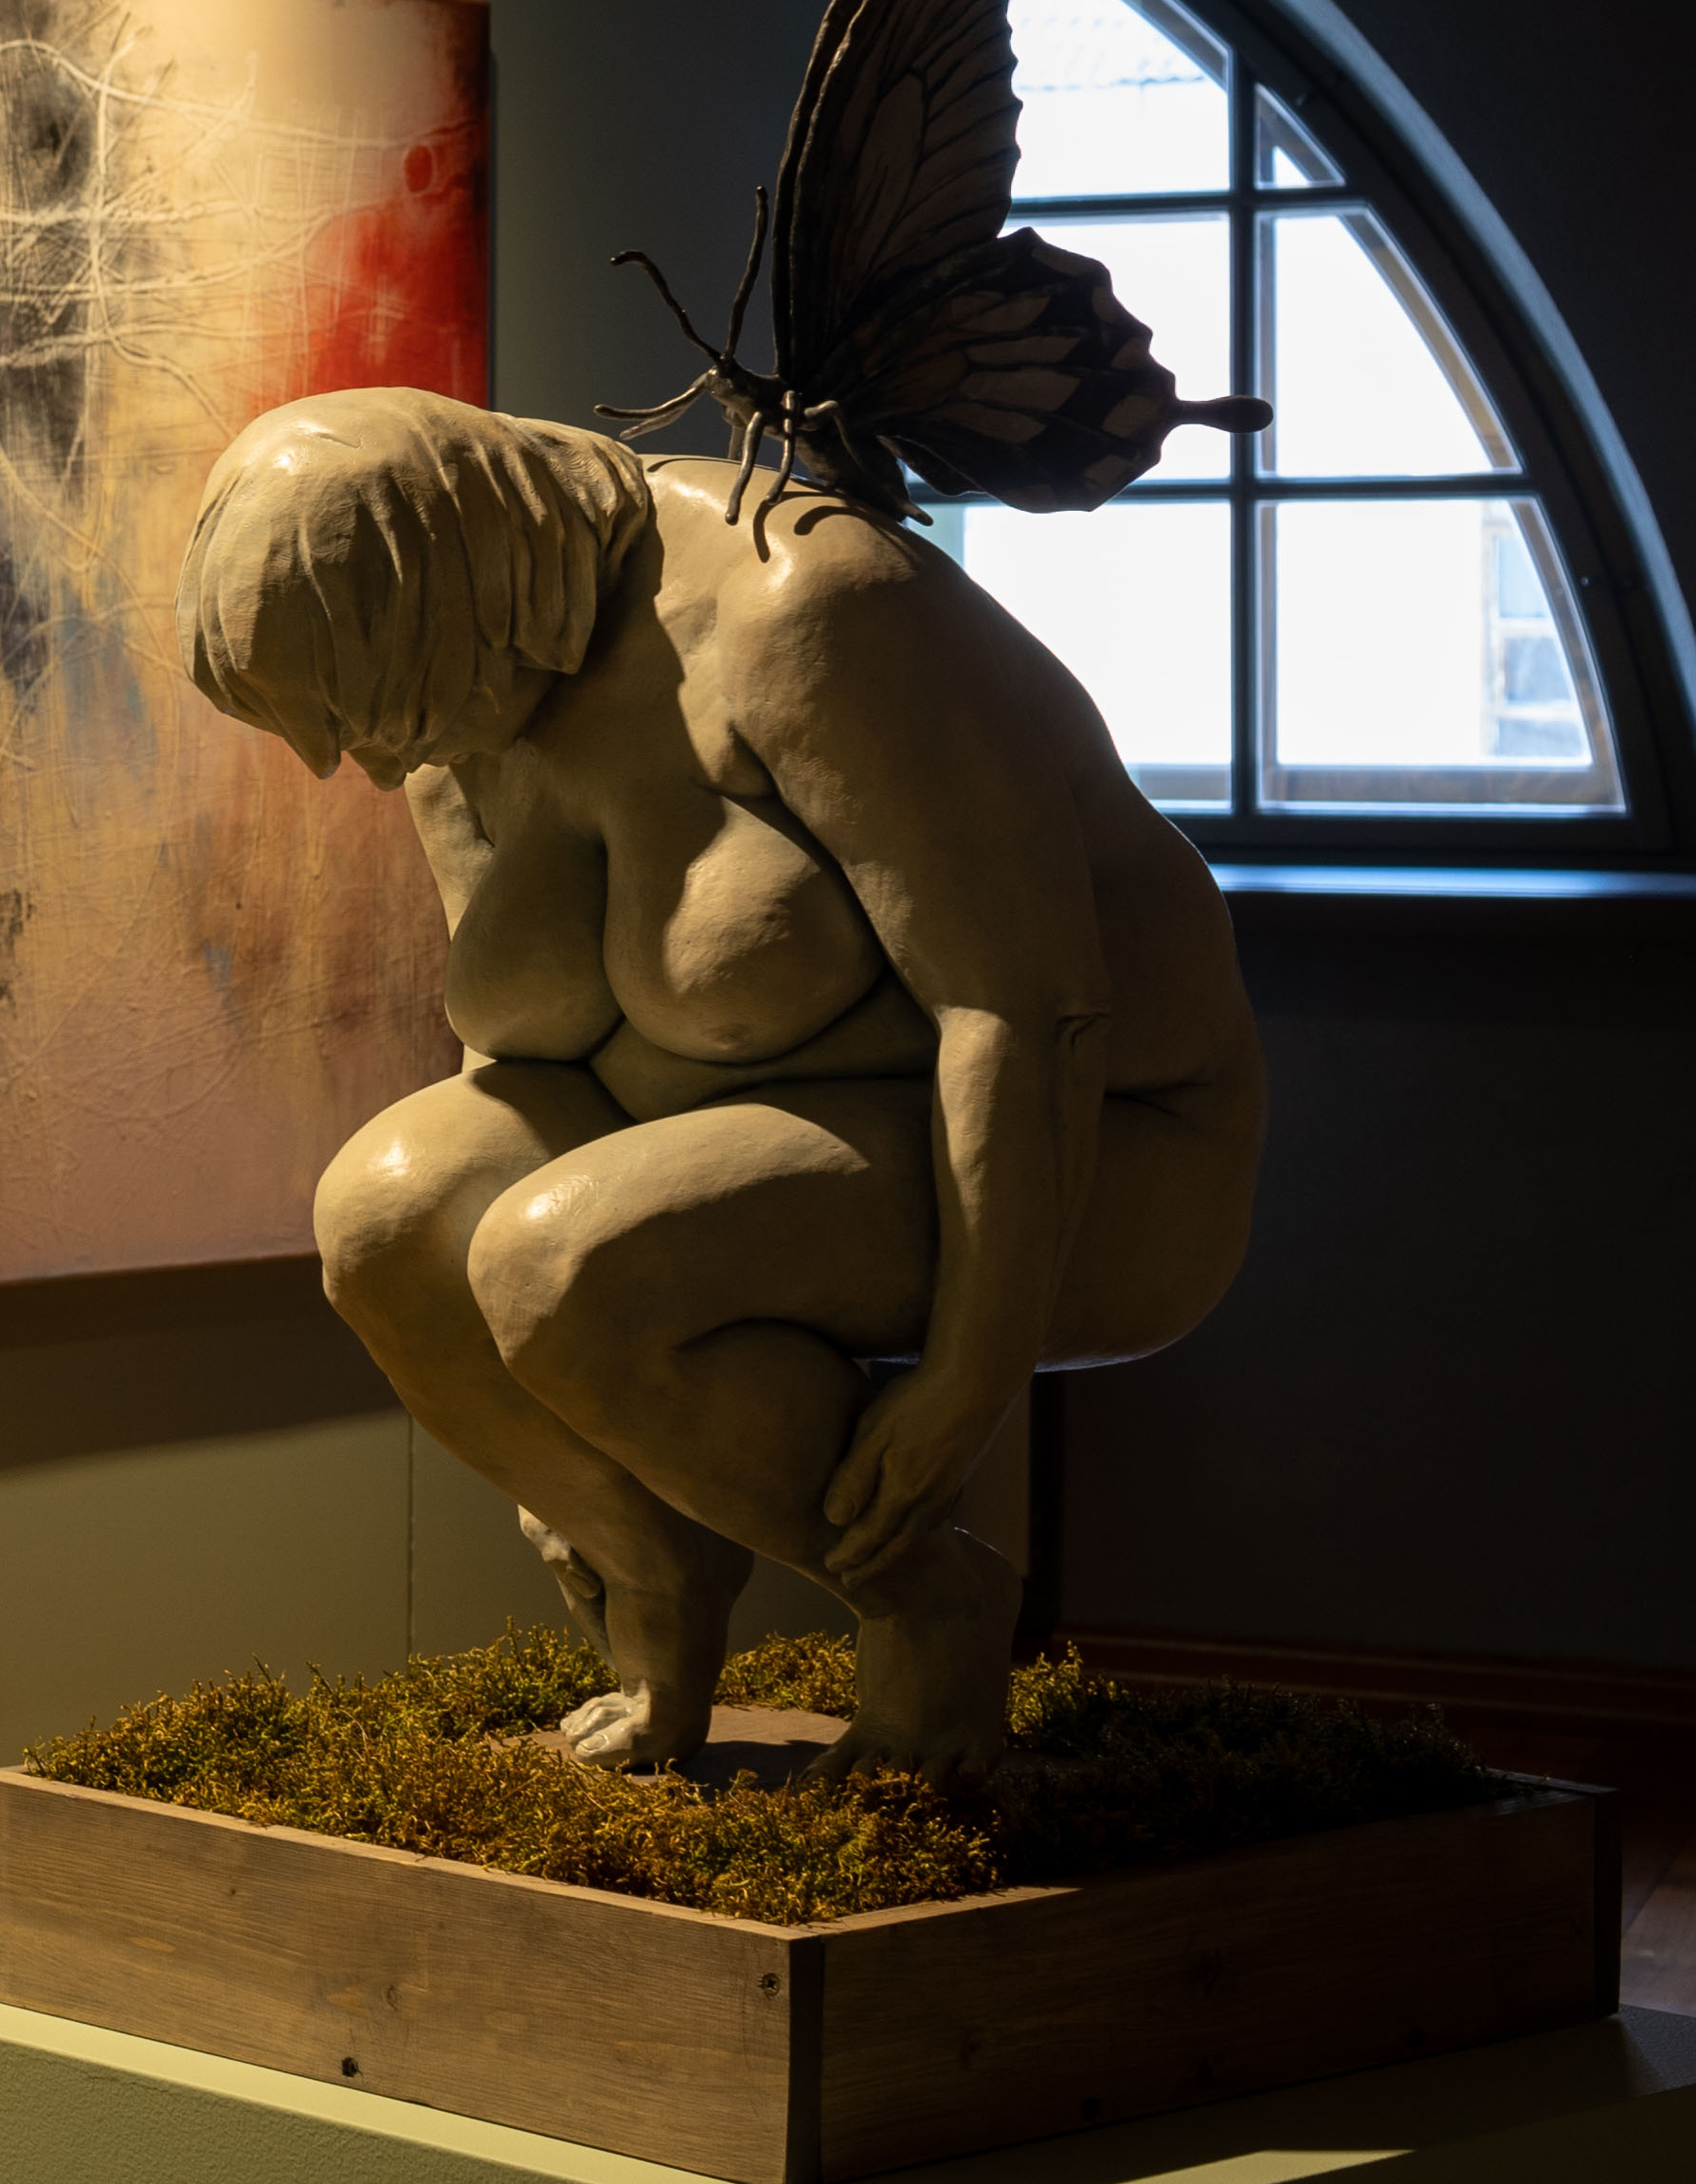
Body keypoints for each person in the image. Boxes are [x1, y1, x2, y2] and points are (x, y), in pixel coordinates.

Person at [177, 388, 1263, 1774]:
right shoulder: (455, 704)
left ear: (460, 583)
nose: (374, 762)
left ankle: (927, 1605)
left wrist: (967, 1378)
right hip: (729, 1142)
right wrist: (573, 1455)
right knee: (387, 1222)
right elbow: (522, 1055)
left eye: (379, 707)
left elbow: (1021, 1009)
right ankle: (658, 1577)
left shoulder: (808, 604)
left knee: (560, 1265)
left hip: (1103, 1148)